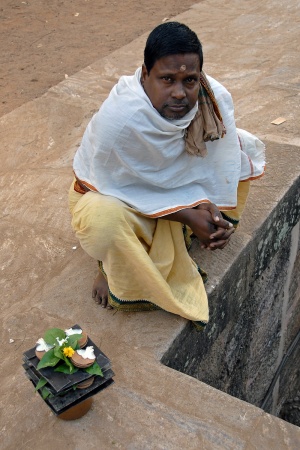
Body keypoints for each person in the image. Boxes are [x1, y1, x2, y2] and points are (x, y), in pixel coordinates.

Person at [69, 22, 265, 329]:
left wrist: (204, 205)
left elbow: (214, 165)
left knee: (241, 149)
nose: (179, 93)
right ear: (146, 75)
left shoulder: (211, 100)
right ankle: (111, 267)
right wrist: (188, 214)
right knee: (103, 221)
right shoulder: (121, 119)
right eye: (166, 79)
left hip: (173, 191)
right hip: (117, 194)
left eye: (189, 80)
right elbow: (116, 187)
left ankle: (181, 236)